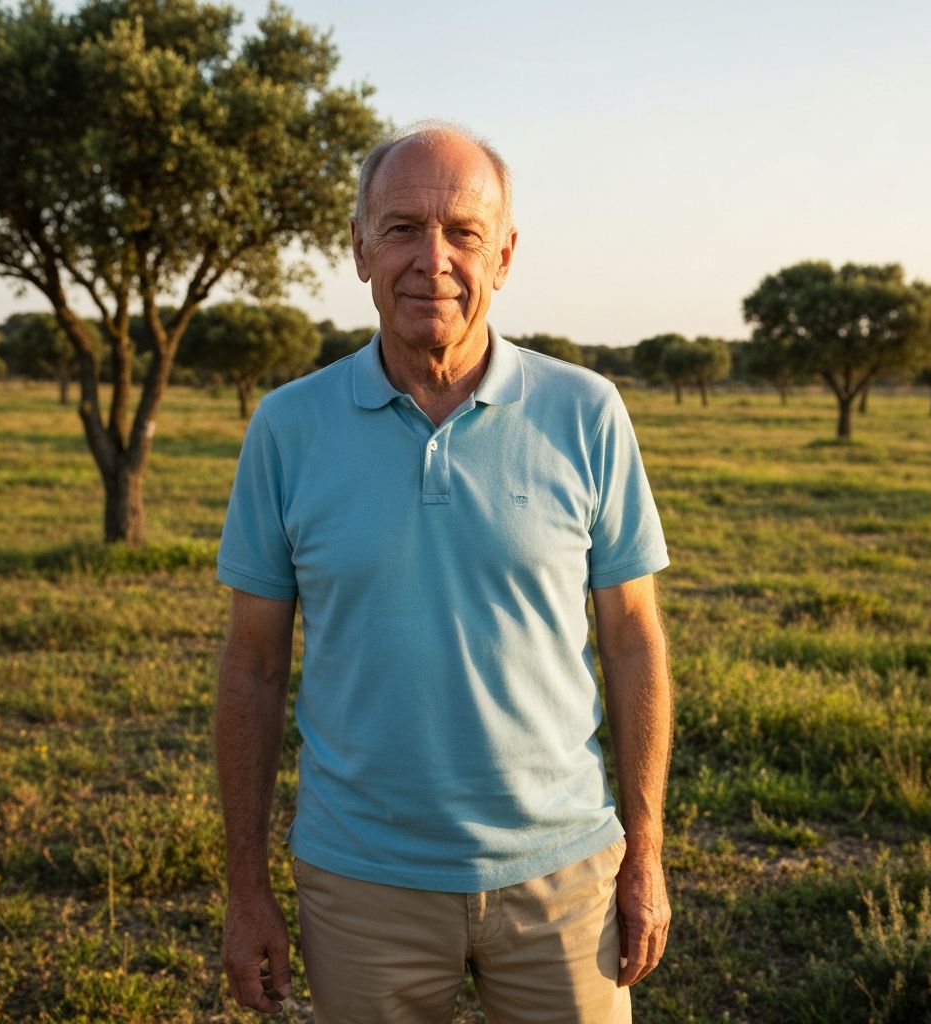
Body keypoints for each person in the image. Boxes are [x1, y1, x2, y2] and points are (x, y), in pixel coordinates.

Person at [215, 122, 672, 1024]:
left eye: (463, 232)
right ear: (358, 250)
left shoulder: (587, 412)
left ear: (504, 255)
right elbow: (254, 666)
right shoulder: (287, 426)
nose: (433, 259)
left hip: (567, 874)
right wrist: (245, 888)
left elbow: (631, 640)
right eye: (400, 228)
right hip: (360, 883)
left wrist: (646, 852)